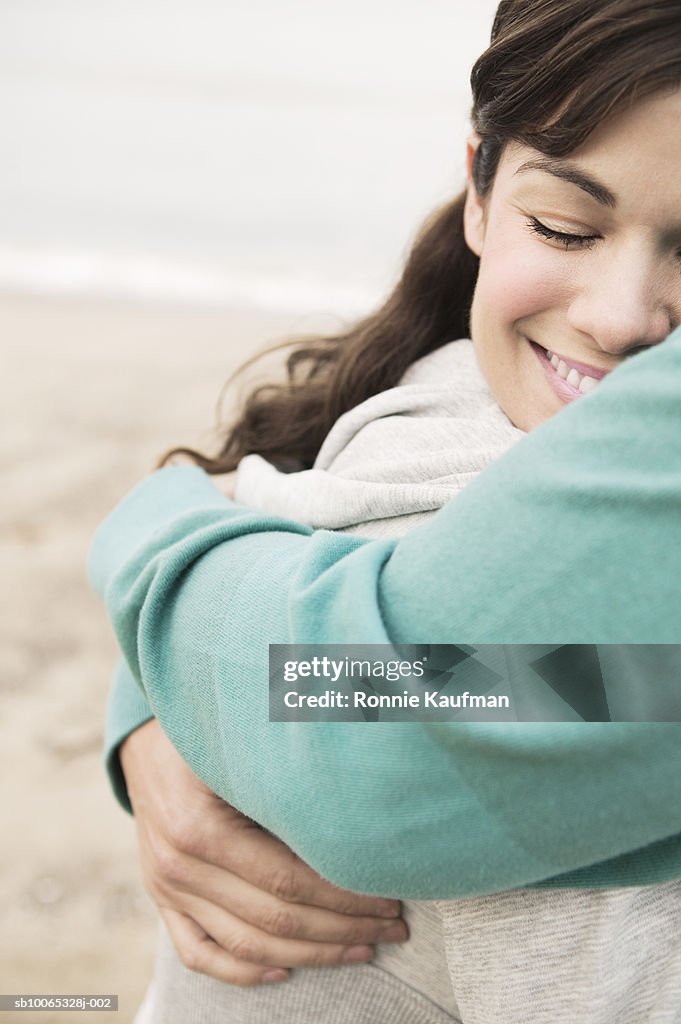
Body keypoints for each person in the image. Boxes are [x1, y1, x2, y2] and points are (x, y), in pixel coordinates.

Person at [90, 0, 681, 1020]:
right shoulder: (421, 467)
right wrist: (149, 670)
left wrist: (153, 589)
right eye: (563, 227)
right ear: (480, 195)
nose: (621, 315)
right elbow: (372, 703)